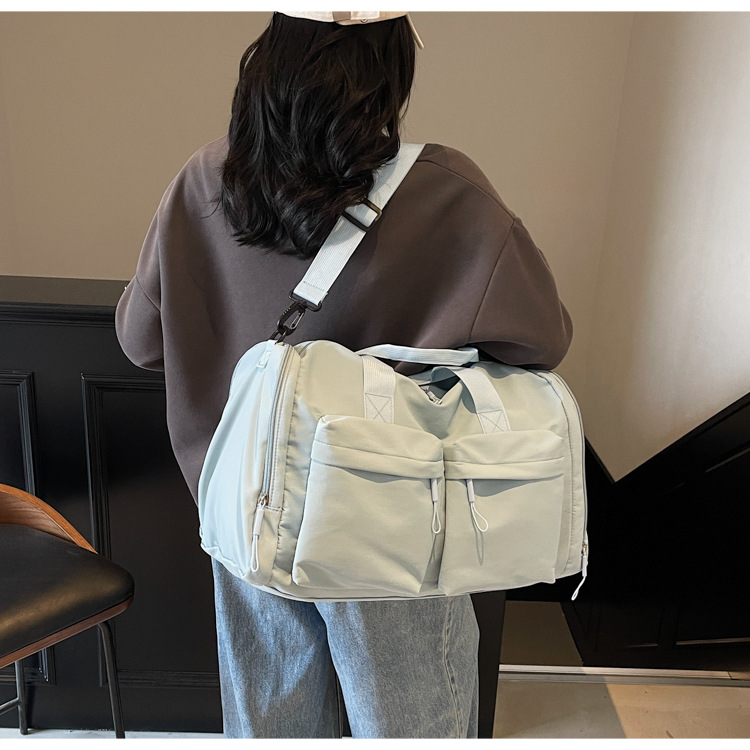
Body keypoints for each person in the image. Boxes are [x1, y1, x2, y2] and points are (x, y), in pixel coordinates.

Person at [115, 11, 573, 739]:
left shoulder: (206, 179)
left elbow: (139, 340)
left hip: (250, 506)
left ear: (270, 56)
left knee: (273, 727)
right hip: (390, 515)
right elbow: (542, 339)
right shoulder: (449, 192)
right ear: (391, 68)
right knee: (411, 727)